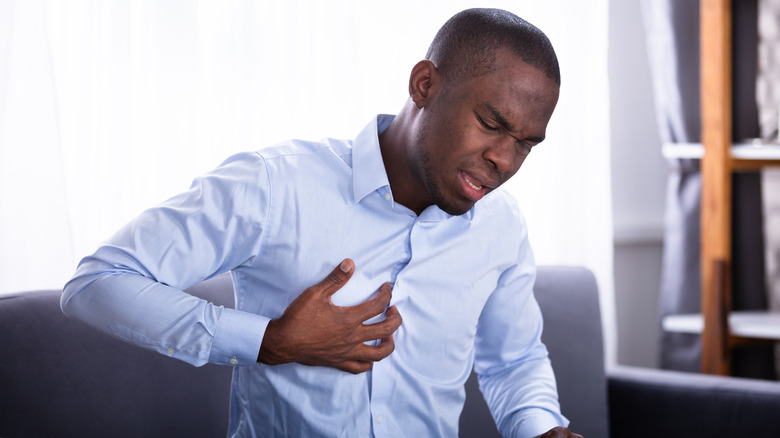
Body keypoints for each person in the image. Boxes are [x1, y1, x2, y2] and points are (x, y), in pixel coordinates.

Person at [62, 8, 583, 438]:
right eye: (492, 124)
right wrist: (267, 340)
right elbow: (96, 283)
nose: (506, 160)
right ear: (424, 84)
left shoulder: (500, 224)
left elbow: (512, 359)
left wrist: (539, 427)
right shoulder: (275, 187)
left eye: (526, 143)